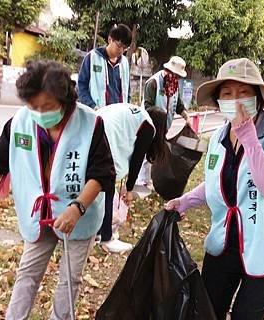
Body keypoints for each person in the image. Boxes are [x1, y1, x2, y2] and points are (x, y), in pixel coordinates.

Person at [165, 58, 264, 320]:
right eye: (227, 94)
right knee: (208, 310)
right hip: (226, 242)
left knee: (245, 319)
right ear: (218, 101)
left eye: (244, 92)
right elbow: (217, 182)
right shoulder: (218, 137)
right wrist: (186, 201)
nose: (235, 100)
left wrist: (249, 138)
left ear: (258, 98)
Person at [0, 60, 115, 320]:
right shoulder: (20, 122)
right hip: (39, 214)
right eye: (34, 106)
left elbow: (102, 174)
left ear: (64, 99)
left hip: (79, 215)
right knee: (27, 271)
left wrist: (77, 208)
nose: (40, 113)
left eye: (48, 106)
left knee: (70, 276)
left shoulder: (90, 123)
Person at [95, 103, 169, 253]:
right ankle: (106, 237)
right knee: (107, 182)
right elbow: (137, 159)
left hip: (94, 124)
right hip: (104, 132)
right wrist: (129, 189)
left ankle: (98, 230)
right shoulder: (148, 126)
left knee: (100, 184)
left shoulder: (137, 115)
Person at [137, 56, 189, 187]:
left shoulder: (174, 86)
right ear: (169, 71)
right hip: (150, 125)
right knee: (146, 152)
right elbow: (147, 106)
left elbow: (178, 104)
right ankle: (141, 181)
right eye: (176, 75)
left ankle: (151, 179)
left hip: (164, 126)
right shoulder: (153, 83)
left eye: (178, 77)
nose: (177, 78)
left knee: (157, 152)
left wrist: (185, 116)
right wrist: (160, 115)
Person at [78, 24, 132, 110]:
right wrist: (92, 106)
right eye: (119, 45)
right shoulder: (92, 58)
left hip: (119, 115)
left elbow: (127, 91)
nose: (121, 50)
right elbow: (81, 87)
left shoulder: (124, 63)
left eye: (124, 48)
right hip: (98, 113)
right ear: (110, 39)